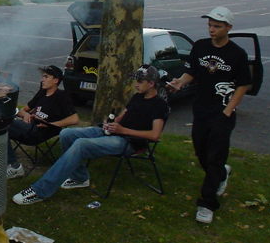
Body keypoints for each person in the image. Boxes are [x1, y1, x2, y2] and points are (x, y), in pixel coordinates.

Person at [12, 65, 168, 205]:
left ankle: (40, 190)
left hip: (130, 142)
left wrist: (123, 130)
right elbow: (121, 117)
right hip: (113, 132)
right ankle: (80, 178)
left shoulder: (159, 105)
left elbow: (154, 135)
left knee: (81, 144)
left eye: (140, 81)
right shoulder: (137, 97)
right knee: (67, 133)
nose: (136, 84)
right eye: (136, 80)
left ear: (152, 83)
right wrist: (110, 122)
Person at [169, 6, 251, 224]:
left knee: (215, 156)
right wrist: (180, 82)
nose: (212, 29)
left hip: (222, 113)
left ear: (228, 28)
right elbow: (192, 72)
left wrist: (228, 110)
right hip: (201, 110)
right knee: (201, 151)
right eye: (210, 25)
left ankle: (207, 204)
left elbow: (243, 85)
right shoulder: (200, 46)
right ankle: (222, 174)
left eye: (217, 26)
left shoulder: (237, 54)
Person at [7, 65, 79, 179]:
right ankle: (9, 161)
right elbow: (22, 111)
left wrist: (51, 125)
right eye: (43, 77)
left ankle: (14, 167)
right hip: (29, 127)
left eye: (46, 77)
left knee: (3, 125)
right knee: (1, 124)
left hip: (39, 133)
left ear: (56, 80)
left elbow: (74, 119)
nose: (42, 80)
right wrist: (26, 114)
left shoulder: (61, 97)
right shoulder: (42, 93)